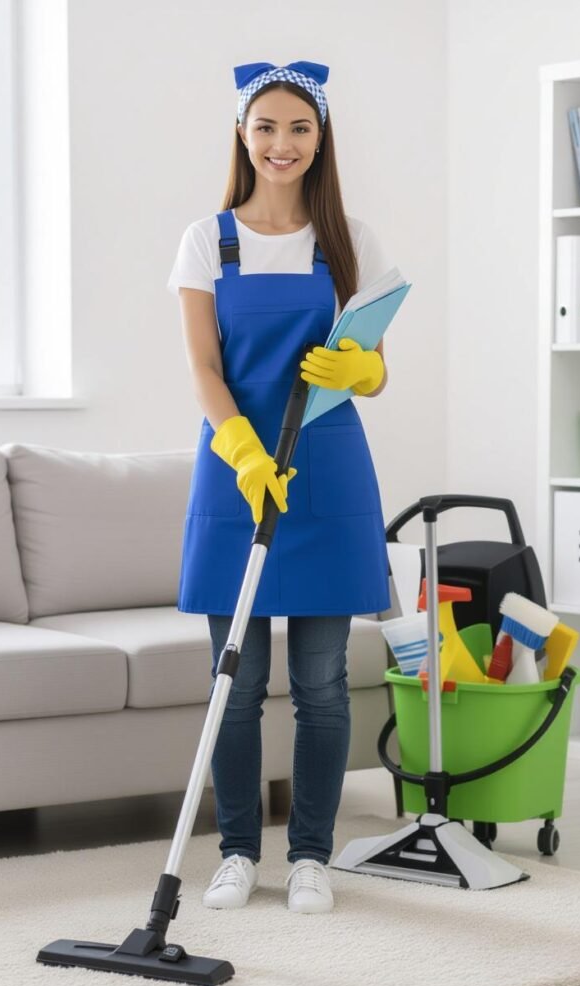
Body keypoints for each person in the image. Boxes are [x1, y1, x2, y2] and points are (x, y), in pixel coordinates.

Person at [167, 60, 392, 914]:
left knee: (323, 682)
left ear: (319, 137)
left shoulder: (350, 242)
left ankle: (308, 857)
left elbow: (376, 373)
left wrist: (362, 367)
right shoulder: (206, 240)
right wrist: (244, 455)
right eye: (266, 126)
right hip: (236, 476)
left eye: (299, 127)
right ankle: (234, 853)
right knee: (234, 677)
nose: (282, 143)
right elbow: (202, 369)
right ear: (241, 134)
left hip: (327, 471)